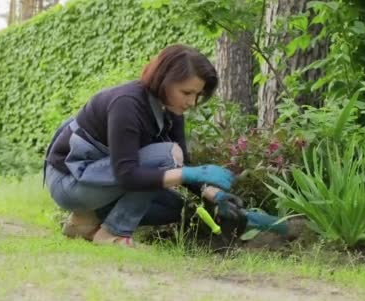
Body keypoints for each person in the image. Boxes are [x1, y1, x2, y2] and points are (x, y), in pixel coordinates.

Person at [43, 44, 244, 247]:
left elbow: (182, 165)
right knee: (167, 156)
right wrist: (190, 173)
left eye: (197, 95)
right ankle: (112, 233)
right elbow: (128, 174)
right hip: (68, 182)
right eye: (186, 92)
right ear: (164, 80)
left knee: (175, 207)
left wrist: (213, 193)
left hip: (99, 178)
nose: (192, 102)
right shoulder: (127, 104)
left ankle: (85, 222)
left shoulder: (171, 109)